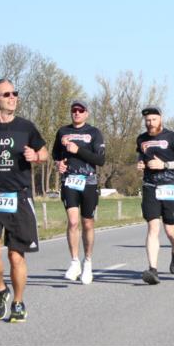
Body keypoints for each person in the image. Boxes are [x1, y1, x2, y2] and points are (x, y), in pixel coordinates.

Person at [0, 79, 48, 323]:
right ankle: (1, 290)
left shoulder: (26, 127)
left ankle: (18, 301)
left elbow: (44, 153)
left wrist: (35, 155)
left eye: (15, 93)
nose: (13, 97)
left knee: (16, 256)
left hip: (19, 197)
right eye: (7, 94)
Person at [135, 105, 174, 285]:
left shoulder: (172, 137)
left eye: (154, 119)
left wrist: (165, 165)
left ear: (161, 119)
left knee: (170, 230)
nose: (150, 123)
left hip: (169, 186)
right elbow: (141, 157)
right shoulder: (141, 139)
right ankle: (153, 269)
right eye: (147, 120)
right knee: (153, 228)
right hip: (150, 186)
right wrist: (141, 164)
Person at [52, 99, 106, 285]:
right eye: (74, 110)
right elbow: (56, 155)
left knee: (87, 223)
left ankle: (88, 261)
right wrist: (58, 164)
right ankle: (75, 261)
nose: (76, 113)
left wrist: (78, 150)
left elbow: (100, 160)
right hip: (69, 181)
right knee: (73, 222)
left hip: (89, 182)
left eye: (80, 110)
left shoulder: (94, 133)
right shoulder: (63, 132)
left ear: (86, 113)